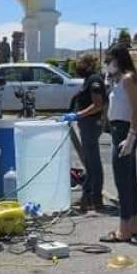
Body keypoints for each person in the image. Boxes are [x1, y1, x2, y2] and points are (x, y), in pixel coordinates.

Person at [100, 45, 137, 243]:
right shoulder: (117, 80)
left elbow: (136, 110)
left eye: (109, 60)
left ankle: (124, 230)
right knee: (129, 179)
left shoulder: (128, 79)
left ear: (119, 59)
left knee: (123, 182)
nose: (107, 64)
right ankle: (132, 224)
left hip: (125, 131)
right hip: (118, 130)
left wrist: (131, 136)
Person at [61, 54, 107, 212]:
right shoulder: (89, 80)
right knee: (89, 160)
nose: (77, 66)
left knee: (92, 162)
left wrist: (78, 115)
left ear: (88, 65)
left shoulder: (94, 80)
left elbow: (98, 105)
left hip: (91, 124)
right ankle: (88, 197)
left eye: (80, 63)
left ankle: (94, 198)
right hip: (87, 124)